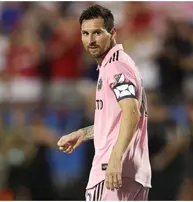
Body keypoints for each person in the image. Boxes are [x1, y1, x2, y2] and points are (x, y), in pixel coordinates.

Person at [57, 4, 151, 201]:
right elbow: (118, 119)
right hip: (132, 171)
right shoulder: (117, 64)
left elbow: (131, 112)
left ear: (113, 33)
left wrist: (115, 158)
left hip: (112, 171)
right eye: (85, 33)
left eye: (97, 33)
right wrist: (83, 133)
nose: (90, 40)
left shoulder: (115, 67)